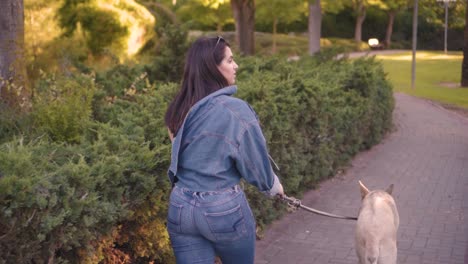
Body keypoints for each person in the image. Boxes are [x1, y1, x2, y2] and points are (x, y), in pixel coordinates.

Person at [164, 36, 284, 264]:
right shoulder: (236, 111)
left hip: (181, 205)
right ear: (213, 68)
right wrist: (273, 187)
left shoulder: (178, 108)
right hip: (222, 208)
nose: (236, 65)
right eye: (230, 60)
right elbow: (256, 168)